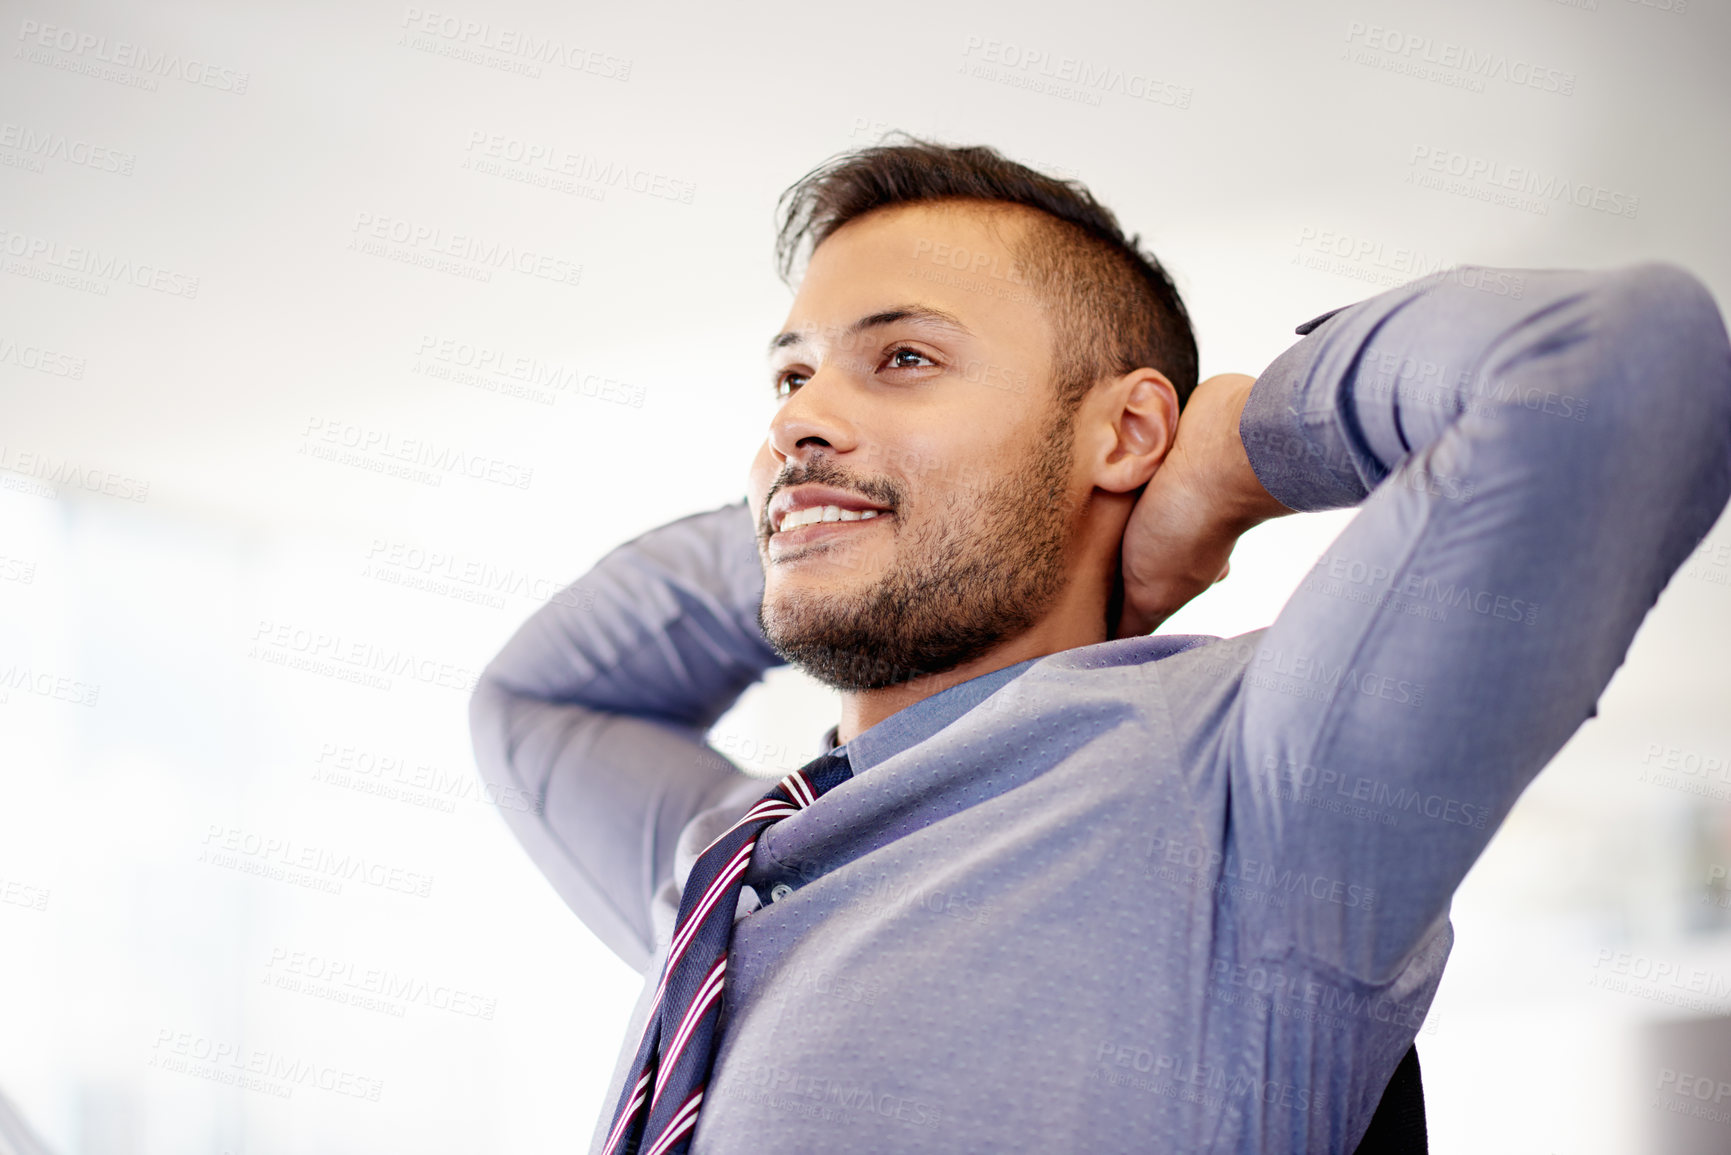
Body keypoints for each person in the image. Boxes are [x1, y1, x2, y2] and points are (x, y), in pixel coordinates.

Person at [466, 138, 1731, 1154]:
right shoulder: (724, 863)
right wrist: (837, 504)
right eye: (790, 380)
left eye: (902, 358)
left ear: (1127, 433)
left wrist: (1240, 447)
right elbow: (538, 696)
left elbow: (1621, 368)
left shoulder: (1241, 777)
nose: (801, 418)